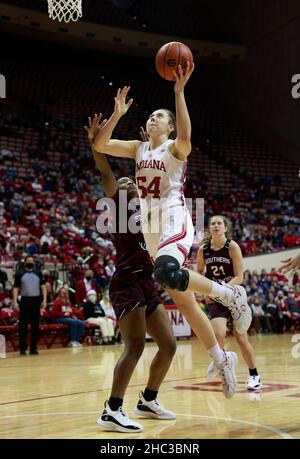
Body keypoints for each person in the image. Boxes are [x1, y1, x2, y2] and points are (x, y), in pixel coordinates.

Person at [93, 65, 252, 398]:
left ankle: (229, 294)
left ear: (167, 126)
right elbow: (102, 143)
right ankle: (222, 358)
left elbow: (186, 135)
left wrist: (178, 94)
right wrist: (117, 113)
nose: (153, 119)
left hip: (174, 217)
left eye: (159, 117)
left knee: (167, 272)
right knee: (186, 303)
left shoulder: (174, 149)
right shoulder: (138, 148)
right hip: (151, 229)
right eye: (150, 116)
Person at [85, 114, 176, 433]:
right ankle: (112, 409)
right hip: (126, 281)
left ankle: (148, 399)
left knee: (168, 344)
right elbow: (106, 171)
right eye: (122, 183)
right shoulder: (118, 205)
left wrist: (151, 148)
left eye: (129, 181)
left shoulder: (150, 205)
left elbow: (158, 176)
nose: (125, 183)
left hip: (147, 281)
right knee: (135, 346)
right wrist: (97, 146)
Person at [197, 215, 262, 390]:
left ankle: (254, 375)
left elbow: (240, 277)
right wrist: (205, 290)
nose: (216, 226)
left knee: (241, 339)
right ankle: (222, 360)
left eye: (219, 223)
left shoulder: (232, 247)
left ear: (226, 228)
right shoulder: (203, 249)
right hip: (216, 298)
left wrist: (221, 288)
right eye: (213, 223)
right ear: (209, 228)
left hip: (233, 295)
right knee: (217, 334)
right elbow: (200, 272)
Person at [13, 255, 47, 355]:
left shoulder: (38, 273)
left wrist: (44, 299)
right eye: (28, 260)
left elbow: (43, 286)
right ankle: (23, 349)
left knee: (35, 326)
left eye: (32, 260)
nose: (30, 262)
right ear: (25, 262)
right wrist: (15, 301)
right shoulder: (20, 274)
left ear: (34, 262)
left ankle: (33, 348)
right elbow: (15, 288)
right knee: (23, 326)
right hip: (25, 300)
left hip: (36, 300)